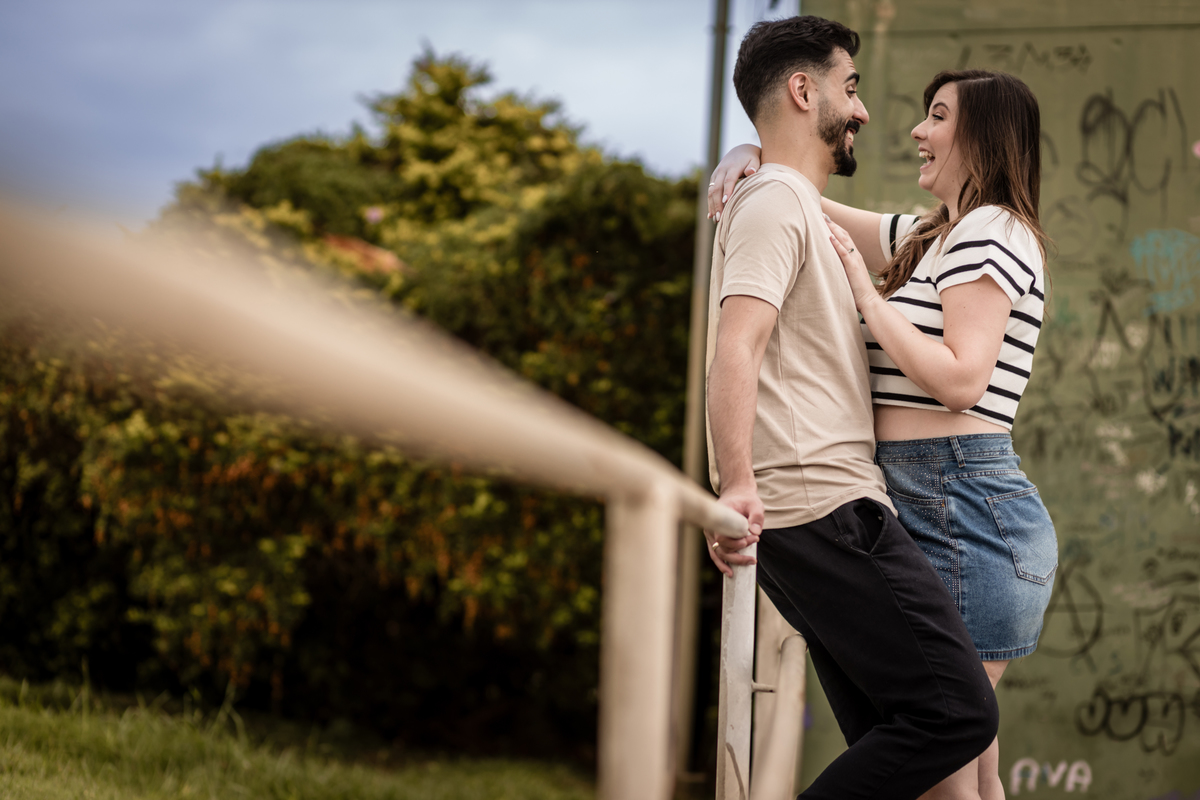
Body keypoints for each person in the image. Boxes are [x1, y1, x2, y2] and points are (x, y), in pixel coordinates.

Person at [709, 68, 1057, 800]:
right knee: (968, 770)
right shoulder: (936, 235)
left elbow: (962, 381)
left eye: (937, 116)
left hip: (965, 507)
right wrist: (748, 155)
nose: (916, 132)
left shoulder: (993, 232)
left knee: (947, 765)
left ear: (984, 136)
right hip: (932, 498)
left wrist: (868, 296)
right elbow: (808, 206)